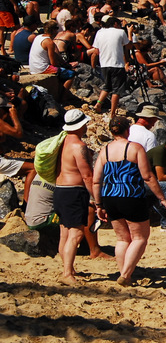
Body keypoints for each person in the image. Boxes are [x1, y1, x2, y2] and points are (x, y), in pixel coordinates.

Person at [92, 115, 166, 287]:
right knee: (140, 237)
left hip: (110, 196)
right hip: (131, 195)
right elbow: (148, 176)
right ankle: (126, 274)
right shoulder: (134, 148)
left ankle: (124, 273)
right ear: (128, 130)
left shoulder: (104, 151)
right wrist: (161, 197)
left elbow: (96, 180)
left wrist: (98, 204)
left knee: (122, 239)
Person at [53, 109, 97, 285]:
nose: (86, 126)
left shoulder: (61, 142)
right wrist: (95, 198)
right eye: (85, 124)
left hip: (60, 190)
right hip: (74, 191)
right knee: (77, 233)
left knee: (65, 232)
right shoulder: (79, 146)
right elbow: (87, 175)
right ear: (80, 126)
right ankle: (67, 274)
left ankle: (68, 269)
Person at [92, 16, 133, 118]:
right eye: (119, 24)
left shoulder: (100, 33)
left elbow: (96, 51)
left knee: (107, 86)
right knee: (116, 90)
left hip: (104, 64)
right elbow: (129, 46)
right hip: (117, 64)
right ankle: (113, 113)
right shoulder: (120, 32)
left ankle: (98, 104)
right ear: (115, 24)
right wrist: (129, 32)